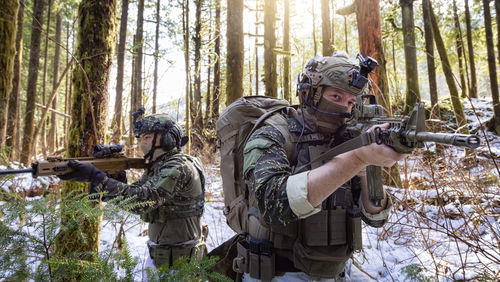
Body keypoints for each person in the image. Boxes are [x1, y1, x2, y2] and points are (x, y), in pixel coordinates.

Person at [238, 52, 407, 281]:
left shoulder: (347, 137)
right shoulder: (274, 133)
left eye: (350, 102)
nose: (344, 109)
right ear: (311, 93)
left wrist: (366, 165)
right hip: (278, 272)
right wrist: (355, 159)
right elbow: (273, 206)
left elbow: (376, 218)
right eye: (336, 96)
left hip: (338, 272)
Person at [59, 111, 207, 268]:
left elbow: (141, 200)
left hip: (180, 262)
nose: (142, 143)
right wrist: (113, 178)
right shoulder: (160, 166)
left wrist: (98, 178)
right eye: (141, 138)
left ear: (167, 139)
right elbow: (134, 194)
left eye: (147, 137)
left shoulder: (178, 167)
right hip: (161, 256)